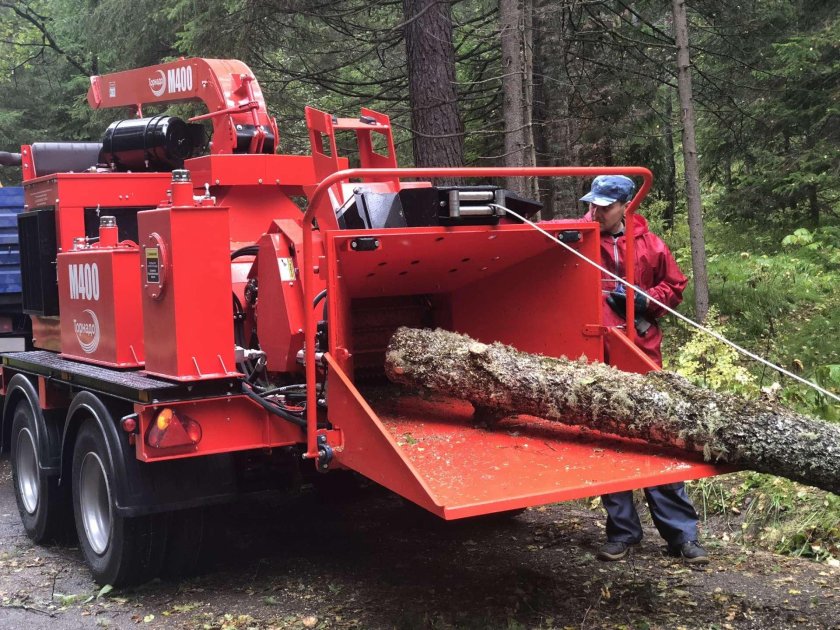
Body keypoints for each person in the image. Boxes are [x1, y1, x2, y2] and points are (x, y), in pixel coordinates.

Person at [580, 175, 709, 565]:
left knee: (657, 437)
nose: (596, 211)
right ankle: (622, 533)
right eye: (593, 204)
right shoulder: (576, 239)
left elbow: (675, 286)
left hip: (642, 352)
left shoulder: (650, 244)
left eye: (604, 206)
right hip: (595, 353)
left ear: (625, 207)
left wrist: (641, 299)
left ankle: (681, 536)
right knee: (608, 437)